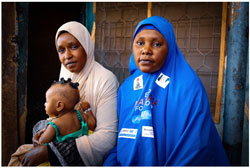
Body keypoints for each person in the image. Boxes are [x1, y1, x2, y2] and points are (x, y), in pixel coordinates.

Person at [104, 16, 230, 166]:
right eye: (140, 43)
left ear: (169, 47)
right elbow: (122, 139)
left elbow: (195, 147)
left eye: (156, 44)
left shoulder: (188, 87)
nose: (146, 50)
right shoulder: (127, 87)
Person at [21, 21, 119, 166]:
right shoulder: (65, 76)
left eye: (74, 47)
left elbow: (107, 138)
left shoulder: (105, 79)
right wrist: (45, 134)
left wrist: (50, 151)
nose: (67, 55)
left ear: (86, 46)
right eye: (61, 50)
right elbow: (58, 116)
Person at [8, 78, 96, 166]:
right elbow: (92, 124)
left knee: (20, 156)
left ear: (59, 105)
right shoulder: (79, 114)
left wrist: (37, 137)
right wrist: (88, 109)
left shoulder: (54, 125)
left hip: (58, 160)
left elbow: (42, 144)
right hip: (76, 157)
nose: (45, 104)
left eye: (47, 101)